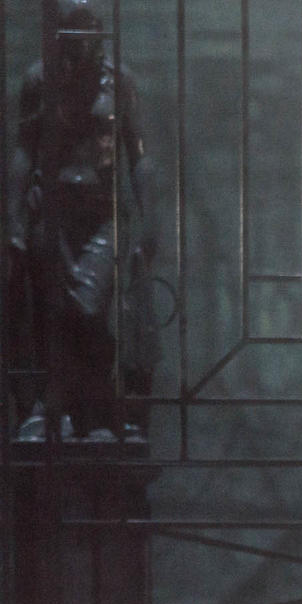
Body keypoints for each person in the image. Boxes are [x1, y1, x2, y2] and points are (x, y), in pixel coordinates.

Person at [4, 0, 160, 441]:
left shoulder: (119, 80)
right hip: (52, 212)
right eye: (71, 27)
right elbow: (24, 151)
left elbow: (139, 155)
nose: (81, 36)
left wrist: (149, 219)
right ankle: (60, 410)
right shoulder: (40, 79)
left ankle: (101, 406)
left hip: (101, 212)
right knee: (52, 310)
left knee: (87, 307)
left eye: (88, 26)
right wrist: (14, 219)